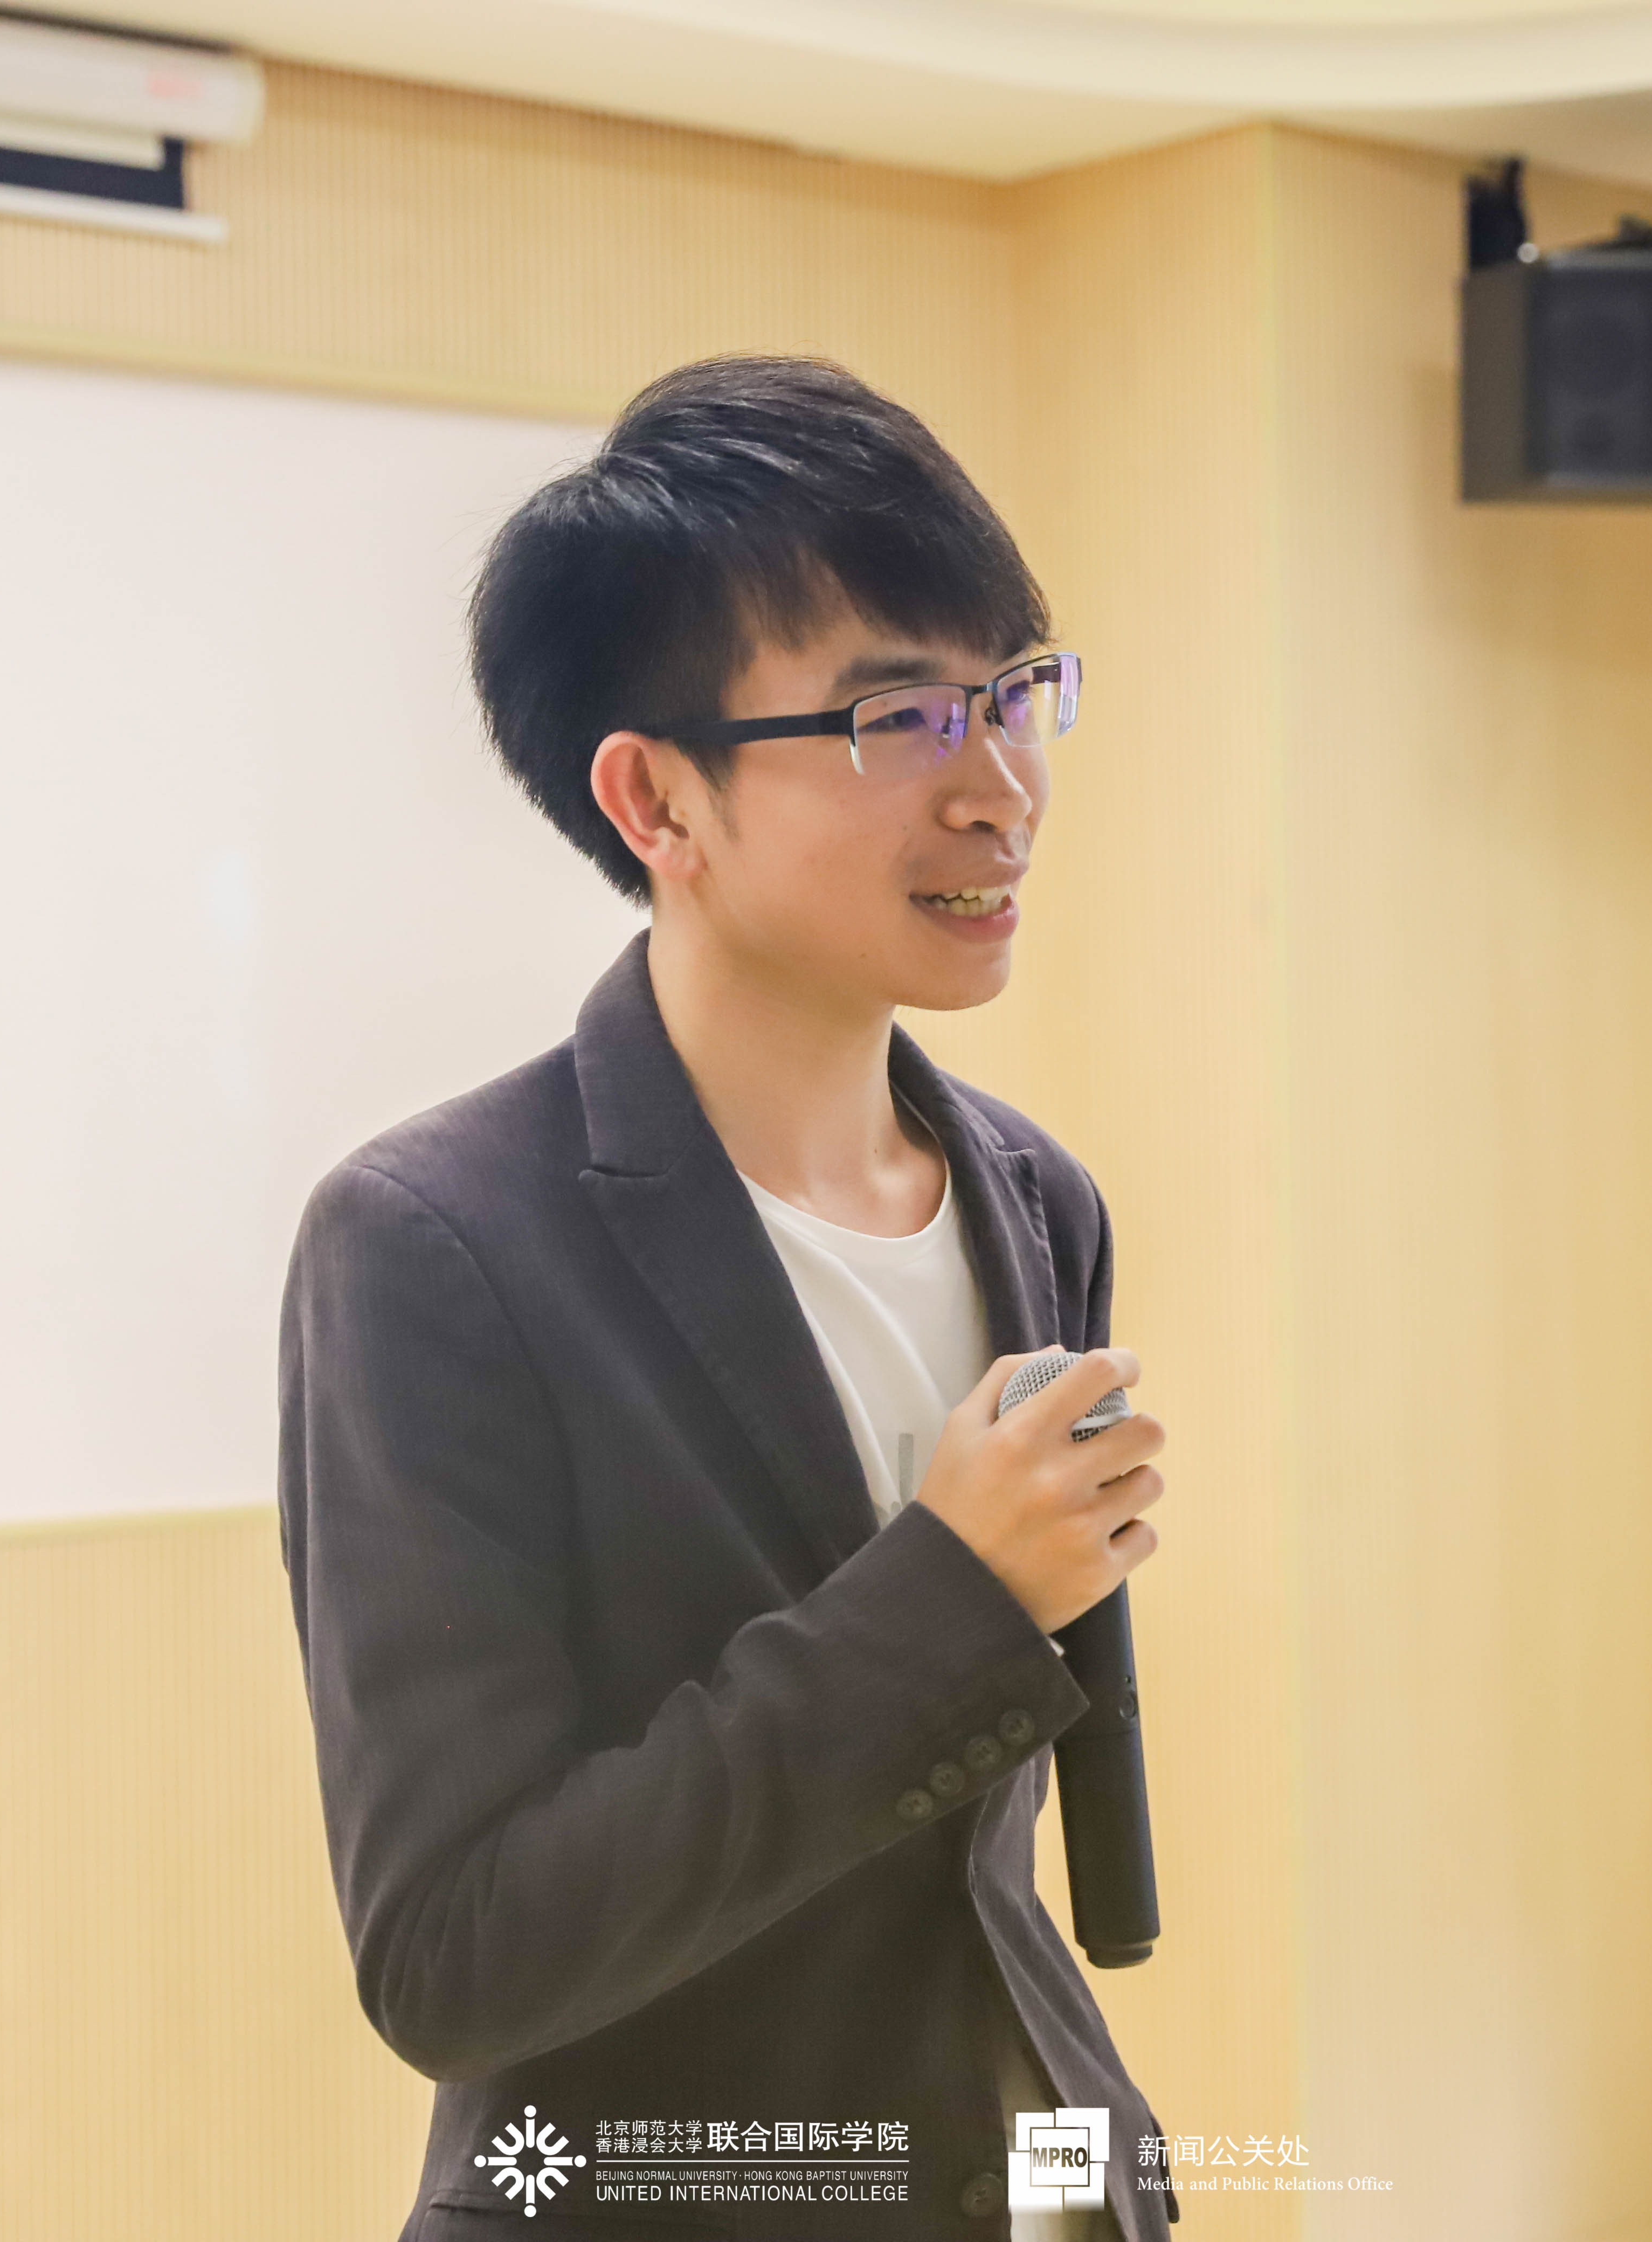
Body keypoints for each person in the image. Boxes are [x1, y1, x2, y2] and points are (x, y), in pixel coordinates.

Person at [275, 355, 1180, 2242]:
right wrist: (949, 1597)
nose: (1000, 786)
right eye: (899, 717)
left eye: (1017, 694)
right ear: (657, 799)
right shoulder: (434, 1245)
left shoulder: (1035, 1198)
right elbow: (455, 1957)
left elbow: (986, 1871)